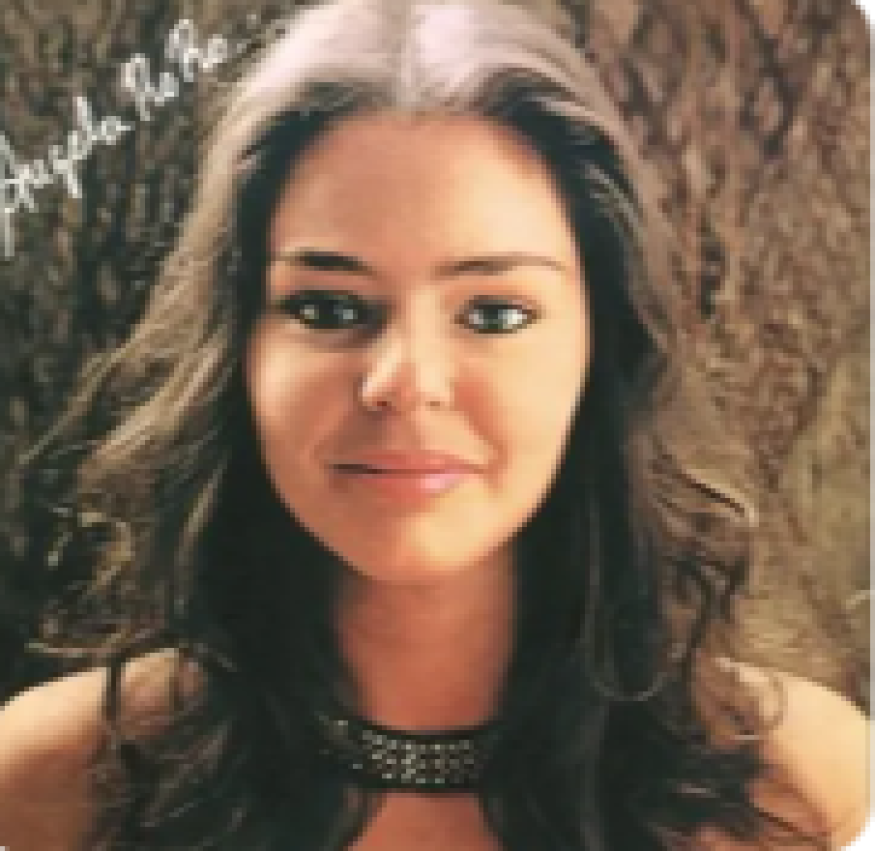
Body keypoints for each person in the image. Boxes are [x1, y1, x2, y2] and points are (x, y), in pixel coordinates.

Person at [0, 0, 869, 848]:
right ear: (235, 350)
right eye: (328, 307)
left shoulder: (812, 792)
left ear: (601, 348)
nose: (405, 384)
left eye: (493, 314)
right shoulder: (44, 790)